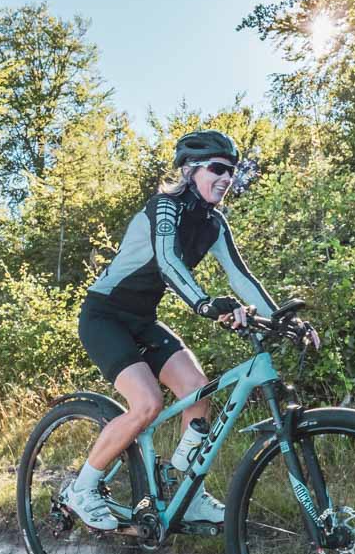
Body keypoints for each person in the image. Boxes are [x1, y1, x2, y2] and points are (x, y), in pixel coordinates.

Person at [66, 130, 319, 530]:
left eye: (232, 172)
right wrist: (205, 303)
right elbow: (168, 262)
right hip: (105, 316)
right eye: (217, 168)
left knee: (199, 393)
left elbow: (241, 277)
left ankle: (190, 494)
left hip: (144, 320)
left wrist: (282, 319)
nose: (226, 177)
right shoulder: (163, 207)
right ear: (190, 170)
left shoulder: (213, 223)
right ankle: (81, 489)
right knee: (147, 404)